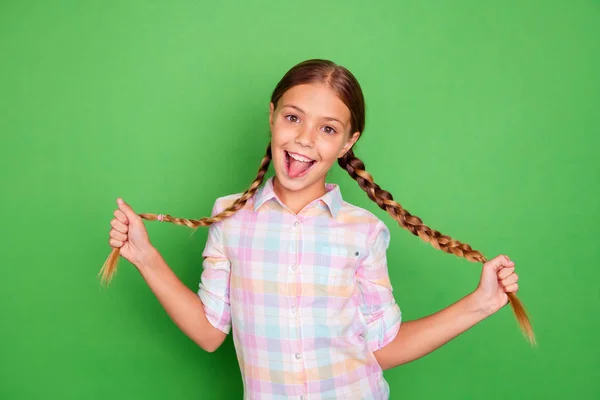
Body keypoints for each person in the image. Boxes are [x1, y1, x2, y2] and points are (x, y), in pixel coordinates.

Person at [105, 59, 526, 400]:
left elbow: (384, 348)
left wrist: (480, 303)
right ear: (272, 118)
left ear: (347, 143)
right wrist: (145, 256)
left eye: (327, 129)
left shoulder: (364, 232)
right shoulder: (229, 217)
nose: (305, 139)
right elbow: (210, 333)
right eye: (293, 118)